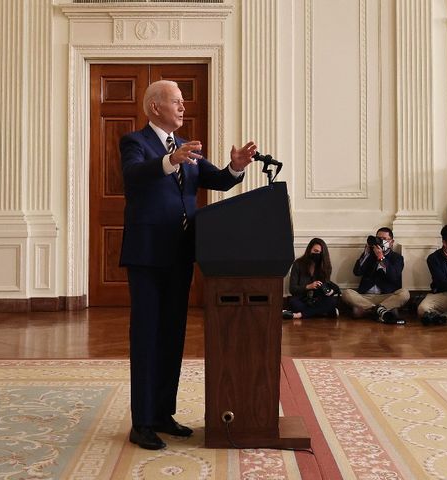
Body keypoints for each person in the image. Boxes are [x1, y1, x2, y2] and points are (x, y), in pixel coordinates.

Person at [120, 80, 257, 450]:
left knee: (172, 337)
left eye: (183, 102)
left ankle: (164, 414)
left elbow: (217, 180)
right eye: (176, 102)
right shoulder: (135, 143)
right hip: (147, 255)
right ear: (154, 107)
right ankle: (142, 423)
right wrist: (169, 161)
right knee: (147, 338)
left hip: (181, 254)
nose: (183, 107)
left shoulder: (185, 148)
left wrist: (235, 167)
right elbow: (134, 176)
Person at [341, 227, 410, 324]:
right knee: (346, 293)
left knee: (405, 293)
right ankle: (381, 311)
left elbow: (394, 277)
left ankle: (370, 311)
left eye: (384, 239)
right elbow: (357, 272)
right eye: (378, 239)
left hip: (387, 296)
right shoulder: (369, 255)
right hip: (365, 297)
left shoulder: (397, 258)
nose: (380, 241)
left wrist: (381, 258)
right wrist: (366, 254)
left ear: (391, 242)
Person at [283, 238, 340, 319]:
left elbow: (327, 284)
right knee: (295, 304)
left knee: (331, 302)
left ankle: (299, 315)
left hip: (317, 299)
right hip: (301, 298)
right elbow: (292, 289)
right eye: (315, 251)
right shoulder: (298, 264)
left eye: (320, 253)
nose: (317, 254)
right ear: (309, 250)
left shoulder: (325, 266)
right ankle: (322, 312)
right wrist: (308, 286)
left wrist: (331, 291)